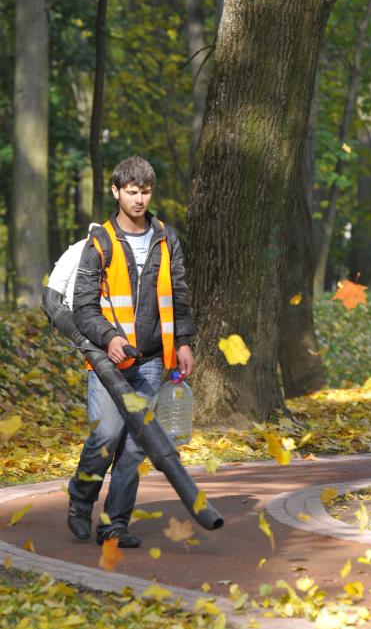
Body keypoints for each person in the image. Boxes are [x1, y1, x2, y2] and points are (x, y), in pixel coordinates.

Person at [67, 155, 196, 548]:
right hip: (108, 360)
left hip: (153, 360)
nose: (139, 199)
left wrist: (185, 341)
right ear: (116, 191)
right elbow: (82, 307)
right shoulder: (100, 242)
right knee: (106, 435)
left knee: (135, 445)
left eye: (145, 192)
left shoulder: (165, 237)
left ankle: (114, 523)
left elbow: (178, 296)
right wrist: (108, 338)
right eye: (132, 191)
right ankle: (80, 498)